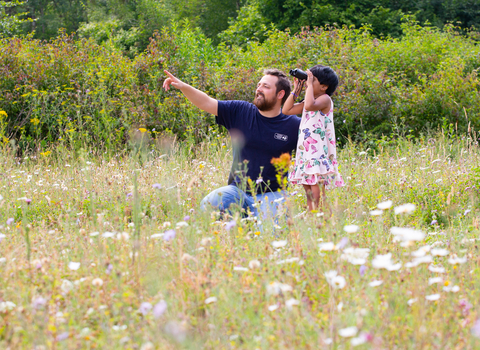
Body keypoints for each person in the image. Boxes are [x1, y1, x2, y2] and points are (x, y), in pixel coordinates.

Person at [163, 69, 301, 219]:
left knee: (270, 233)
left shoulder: (294, 126)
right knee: (208, 206)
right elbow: (206, 102)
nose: (259, 89)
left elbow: (316, 151)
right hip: (237, 191)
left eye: (266, 87)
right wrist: (183, 86)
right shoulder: (241, 111)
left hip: (272, 194)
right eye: (258, 85)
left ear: (280, 94)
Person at [283, 65, 345, 212]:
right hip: (306, 150)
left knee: (316, 183)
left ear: (324, 87)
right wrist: (296, 89)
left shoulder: (325, 99)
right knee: (307, 183)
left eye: (313, 80)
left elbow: (310, 105)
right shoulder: (309, 101)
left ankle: (318, 213)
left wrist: (308, 84)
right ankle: (313, 213)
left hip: (318, 150)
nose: (308, 82)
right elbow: (286, 110)